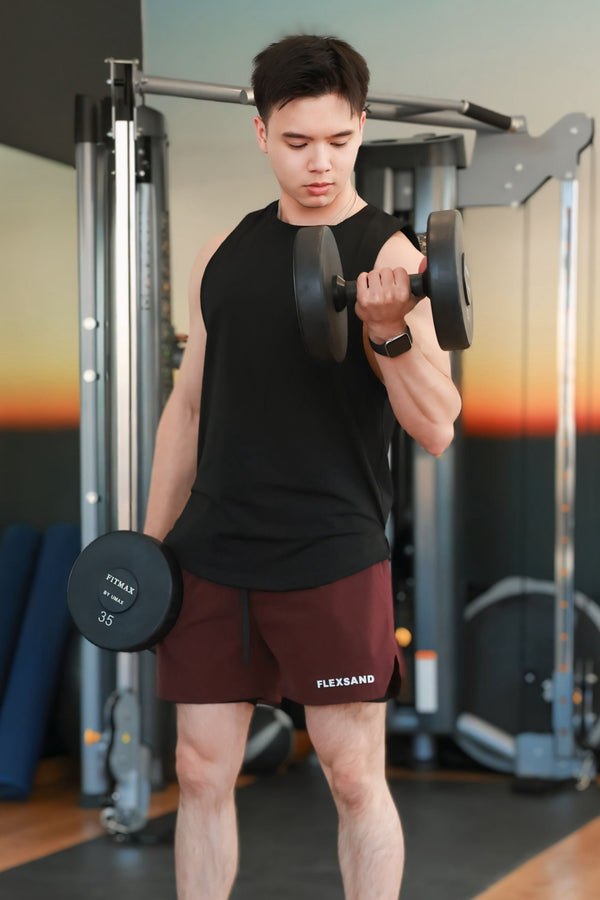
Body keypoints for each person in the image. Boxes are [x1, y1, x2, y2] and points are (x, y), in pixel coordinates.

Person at [144, 34, 462, 900]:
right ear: (261, 133)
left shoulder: (393, 257)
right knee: (202, 771)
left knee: (354, 776)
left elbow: (437, 427)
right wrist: (147, 547)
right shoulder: (225, 253)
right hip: (212, 553)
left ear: (360, 128)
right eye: (297, 142)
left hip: (330, 547)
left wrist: (387, 330)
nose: (320, 163)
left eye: (338, 140)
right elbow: (188, 408)